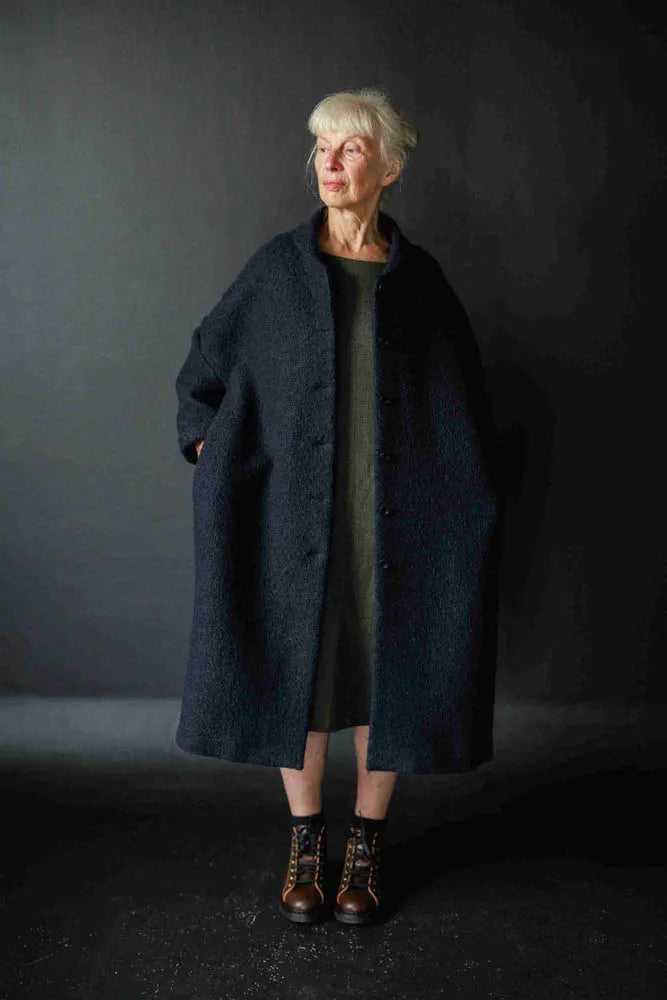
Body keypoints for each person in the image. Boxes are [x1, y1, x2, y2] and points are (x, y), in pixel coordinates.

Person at [174, 87, 503, 927]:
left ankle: (365, 842)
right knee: (305, 673)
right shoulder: (277, 272)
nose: (330, 162)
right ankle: (304, 840)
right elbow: (204, 366)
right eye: (321, 146)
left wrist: (468, 493)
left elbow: (463, 400)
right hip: (294, 522)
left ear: (387, 169)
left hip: (399, 523)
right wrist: (207, 444)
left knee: (389, 672)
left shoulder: (418, 282)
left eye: (350, 148)